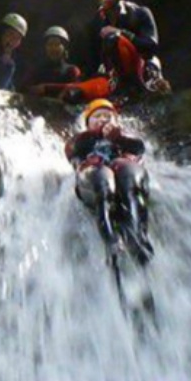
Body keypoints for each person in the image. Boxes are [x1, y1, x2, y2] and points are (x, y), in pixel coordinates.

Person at [65, 99, 154, 264]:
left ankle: (137, 237)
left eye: (108, 116)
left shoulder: (124, 138)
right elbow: (73, 151)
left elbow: (138, 148)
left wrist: (118, 138)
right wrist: (97, 135)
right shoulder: (82, 140)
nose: (103, 119)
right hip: (95, 179)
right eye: (97, 116)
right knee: (103, 178)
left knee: (128, 173)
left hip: (124, 175)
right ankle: (110, 240)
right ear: (88, 123)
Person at [86, 0, 171, 98]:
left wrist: (121, 33)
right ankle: (115, 88)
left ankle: (149, 84)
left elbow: (151, 46)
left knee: (112, 39)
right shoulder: (96, 21)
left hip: (141, 63)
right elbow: (93, 56)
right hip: (112, 71)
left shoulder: (139, 13)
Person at [20, 26, 83, 98]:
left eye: (57, 44)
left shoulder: (71, 70)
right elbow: (23, 88)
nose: (53, 48)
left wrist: (47, 88)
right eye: (50, 44)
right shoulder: (37, 70)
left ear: (64, 47)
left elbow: (77, 89)